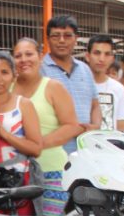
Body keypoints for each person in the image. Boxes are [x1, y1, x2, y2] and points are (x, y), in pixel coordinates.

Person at [13, 38, 81, 216]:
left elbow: (72, 126)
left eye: (29, 54)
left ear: (40, 56)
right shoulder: (7, 89)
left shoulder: (52, 87)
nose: (24, 59)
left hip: (51, 171)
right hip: (16, 175)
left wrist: (36, 145)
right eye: (18, 56)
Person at [0, 50, 42, 216]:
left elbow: (36, 148)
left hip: (18, 183)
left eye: (4, 72)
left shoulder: (23, 105)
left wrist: (3, 133)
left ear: (14, 76)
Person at [40, 15, 101, 153]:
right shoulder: (40, 70)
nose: (62, 41)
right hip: (52, 151)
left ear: (76, 38)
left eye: (67, 36)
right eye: (56, 36)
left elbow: (95, 105)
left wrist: (95, 126)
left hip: (84, 151)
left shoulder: (85, 69)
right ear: (48, 39)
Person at [86, 35, 124, 131]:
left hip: (109, 144)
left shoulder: (118, 88)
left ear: (112, 59)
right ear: (88, 56)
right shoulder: (78, 85)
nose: (101, 59)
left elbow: (121, 125)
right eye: (97, 53)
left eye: (107, 54)